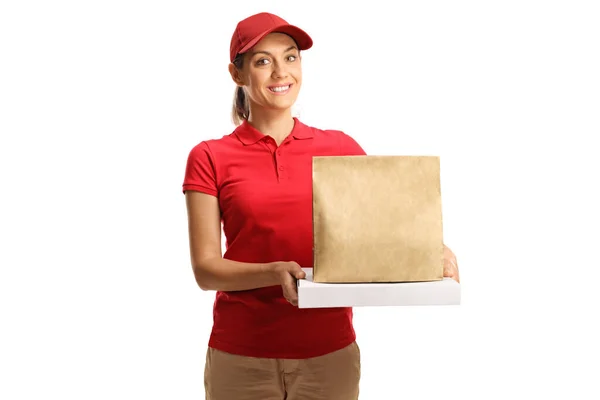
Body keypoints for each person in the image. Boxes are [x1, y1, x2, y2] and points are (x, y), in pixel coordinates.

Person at [182, 11, 460, 400]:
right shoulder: (209, 156)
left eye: (291, 57)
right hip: (240, 355)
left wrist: (434, 249)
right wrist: (273, 271)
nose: (281, 72)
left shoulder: (339, 149)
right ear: (237, 74)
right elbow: (206, 270)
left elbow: (389, 226)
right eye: (263, 61)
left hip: (329, 355)